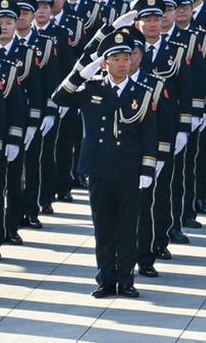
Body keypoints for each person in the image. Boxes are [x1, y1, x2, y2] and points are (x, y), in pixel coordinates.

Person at [49, 28, 157, 299]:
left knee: (127, 227)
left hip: (129, 169)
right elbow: (59, 97)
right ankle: (106, 280)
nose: (122, 63)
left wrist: (147, 168)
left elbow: (149, 135)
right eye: (115, 59)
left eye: (126, 58)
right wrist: (82, 73)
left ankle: (126, 280)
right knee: (104, 227)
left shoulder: (142, 92)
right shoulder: (91, 88)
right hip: (99, 168)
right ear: (105, 62)